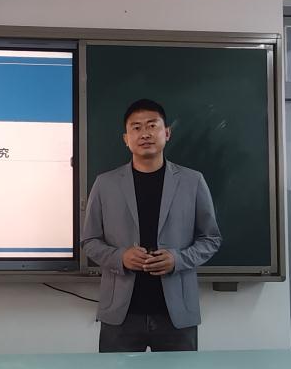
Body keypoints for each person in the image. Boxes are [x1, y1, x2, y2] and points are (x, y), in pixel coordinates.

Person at [81, 99, 222, 352]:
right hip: (121, 314)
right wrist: (120, 257)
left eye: (152, 125)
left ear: (166, 133)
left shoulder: (192, 181)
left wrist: (177, 259)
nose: (144, 133)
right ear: (126, 139)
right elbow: (89, 240)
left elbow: (211, 239)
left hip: (176, 314)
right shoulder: (105, 184)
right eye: (136, 128)